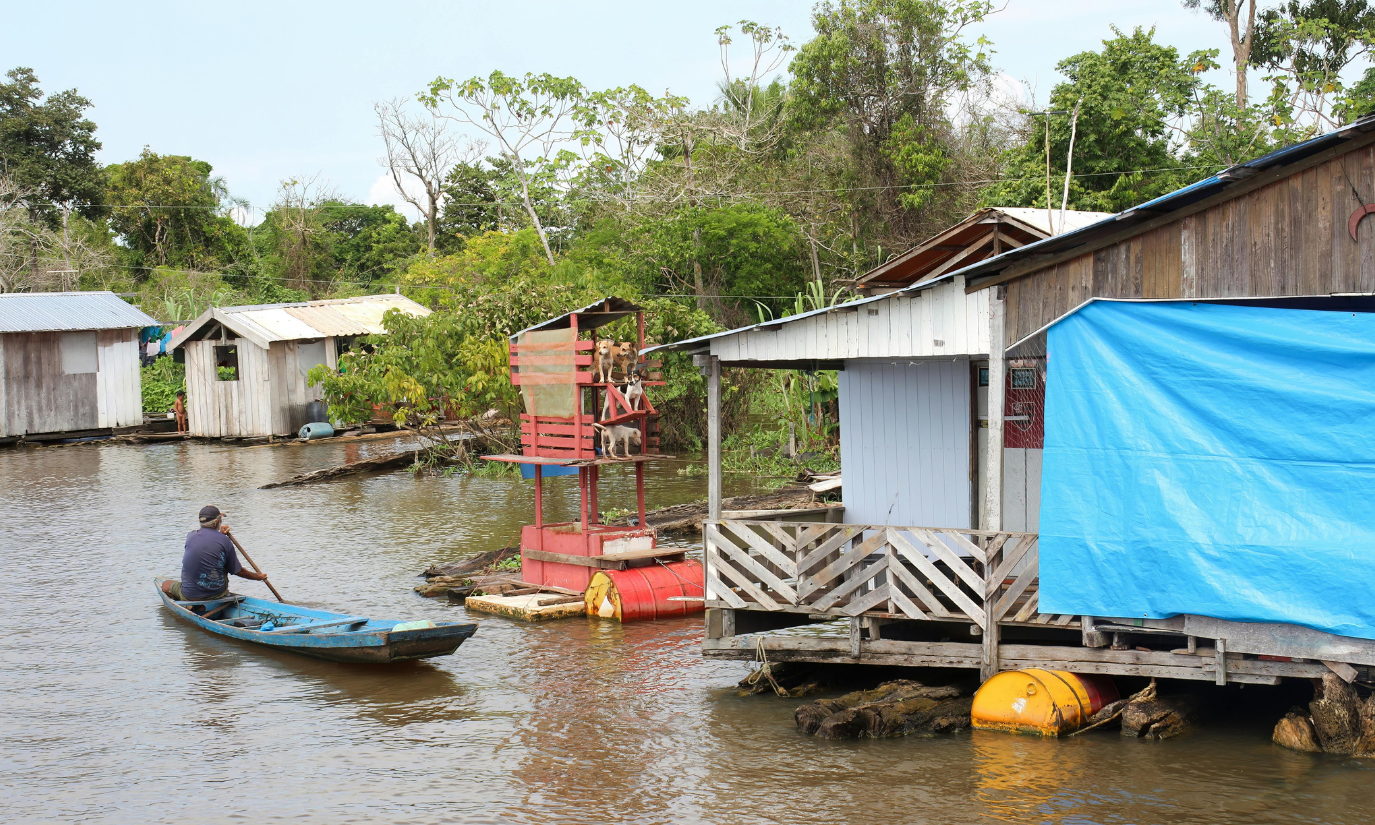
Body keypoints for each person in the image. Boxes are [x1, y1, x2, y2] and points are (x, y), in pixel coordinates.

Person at [160, 506, 267, 601]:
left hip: (190, 594)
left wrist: (220, 534)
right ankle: (218, 594)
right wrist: (257, 577)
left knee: (165, 585)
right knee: (221, 562)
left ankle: (189, 604)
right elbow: (237, 571)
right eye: (220, 520)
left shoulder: (190, 536)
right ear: (217, 522)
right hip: (216, 593)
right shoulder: (224, 541)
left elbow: (207, 543)